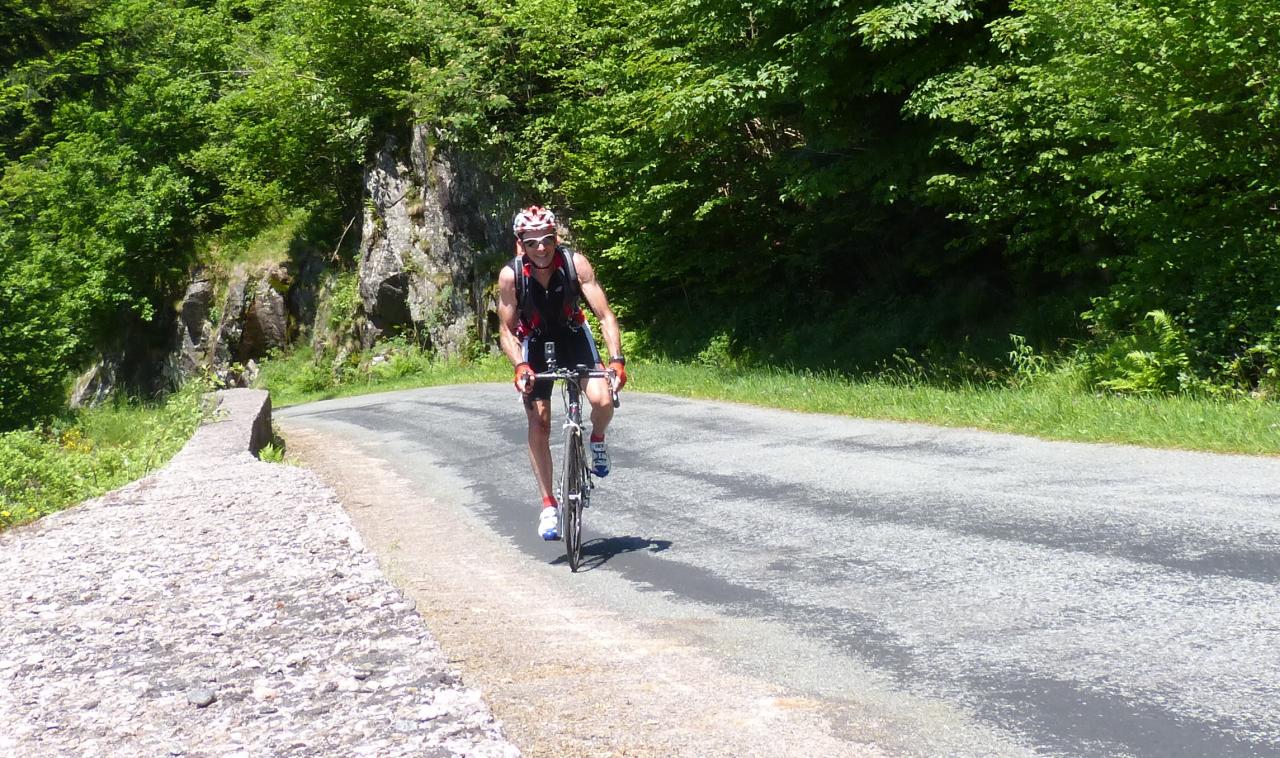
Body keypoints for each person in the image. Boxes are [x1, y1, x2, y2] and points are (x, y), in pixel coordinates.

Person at [497, 205, 627, 540]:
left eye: (547, 239)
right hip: (536, 342)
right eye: (532, 242)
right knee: (538, 421)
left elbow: (605, 315)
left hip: (572, 334)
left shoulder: (575, 264)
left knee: (602, 398)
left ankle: (596, 438)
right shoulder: (511, 276)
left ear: (556, 238)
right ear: (520, 244)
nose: (541, 248)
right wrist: (520, 365)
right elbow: (506, 330)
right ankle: (548, 505)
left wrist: (617, 360)